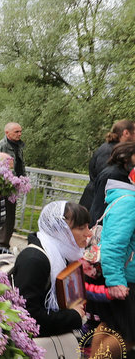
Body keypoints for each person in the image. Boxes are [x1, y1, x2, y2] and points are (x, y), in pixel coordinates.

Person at [11, 202, 90, 339]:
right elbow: (27, 316)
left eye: (88, 227)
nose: (88, 234)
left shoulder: (63, 254)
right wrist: (73, 316)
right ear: (59, 230)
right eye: (81, 228)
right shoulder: (34, 261)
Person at [94, 167, 135, 351]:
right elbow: (113, 246)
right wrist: (116, 281)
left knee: (111, 328)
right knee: (126, 336)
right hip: (125, 280)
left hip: (124, 277)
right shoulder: (129, 203)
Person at [80, 120, 135, 209]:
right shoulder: (109, 151)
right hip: (96, 204)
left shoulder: (113, 149)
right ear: (126, 133)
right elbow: (106, 180)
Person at [0, 122, 25, 248]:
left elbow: (20, 165)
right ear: (7, 133)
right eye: (16, 132)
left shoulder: (19, 146)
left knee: (11, 216)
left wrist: (23, 180)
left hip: (14, 187)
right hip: (3, 187)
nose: (19, 134)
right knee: (3, 215)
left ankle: (5, 242)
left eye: (20, 131)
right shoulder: (1, 146)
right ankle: (1, 243)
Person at [89, 142, 135, 226]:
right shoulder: (111, 175)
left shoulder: (126, 173)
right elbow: (100, 204)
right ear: (125, 157)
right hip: (107, 224)